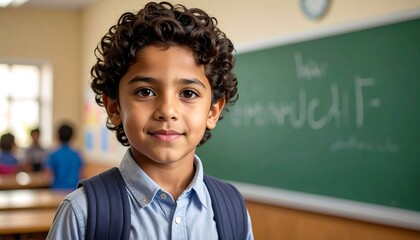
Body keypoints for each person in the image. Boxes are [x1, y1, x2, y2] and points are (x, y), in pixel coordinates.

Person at [47, 2, 253, 239]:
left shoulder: (232, 208)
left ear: (212, 111)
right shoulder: (83, 214)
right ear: (114, 107)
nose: (167, 111)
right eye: (145, 92)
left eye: (188, 93)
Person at [45, 123, 84, 189]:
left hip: (57, 191)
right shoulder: (77, 155)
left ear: (58, 136)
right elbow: (81, 175)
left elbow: (47, 177)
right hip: (74, 191)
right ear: (72, 136)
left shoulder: (53, 155)